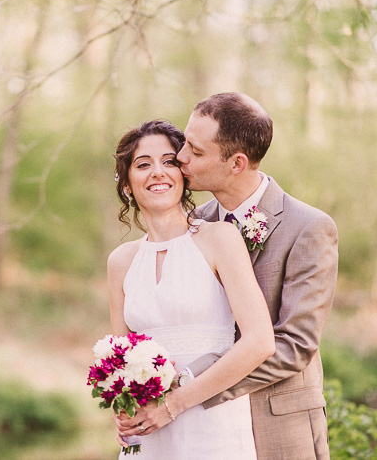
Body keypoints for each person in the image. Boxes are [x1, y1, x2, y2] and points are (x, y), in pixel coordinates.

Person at [172, 92, 339, 459]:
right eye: (185, 142)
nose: (180, 157)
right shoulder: (193, 225)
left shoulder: (309, 228)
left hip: (278, 423)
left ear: (237, 163)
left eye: (196, 152)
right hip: (203, 429)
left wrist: (192, 383)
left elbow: (295, 345)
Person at [107, 119, 275, 459]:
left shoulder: (219, 238)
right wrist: (121, 409)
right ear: (127, 183)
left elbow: (260, 341)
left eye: (169, 161)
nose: (157, 172)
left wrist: (172, 405)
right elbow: (120, 362)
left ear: (184, 174)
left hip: (213, 425)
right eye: (143, 165)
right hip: (149, 432)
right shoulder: (121, 261)